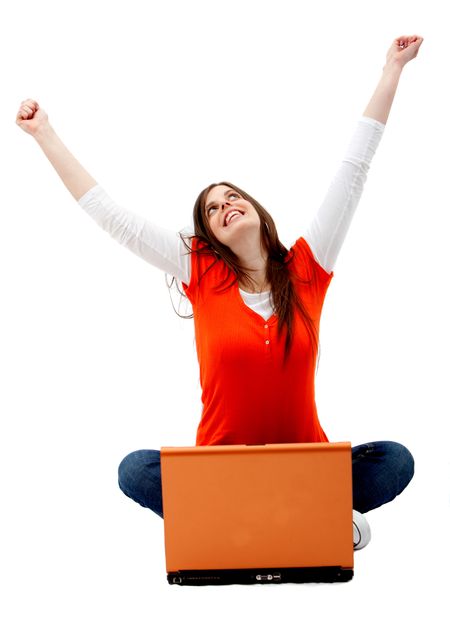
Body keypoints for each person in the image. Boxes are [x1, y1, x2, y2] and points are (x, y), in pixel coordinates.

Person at [16, 34, 423, 551]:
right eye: (212, 209)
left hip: (307, 467)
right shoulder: (203, 275)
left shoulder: (306, 268)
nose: (225, 204)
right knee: (136, 469)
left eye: (232, 197)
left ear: (254, 209)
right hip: (221, 470)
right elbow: (112, 218)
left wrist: (391, 69)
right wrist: (44, 133)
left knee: (394, 458)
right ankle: (289, 519)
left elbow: (353, 171)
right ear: (208, 237)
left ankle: (255, 519)